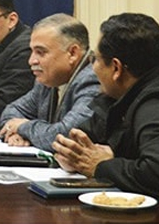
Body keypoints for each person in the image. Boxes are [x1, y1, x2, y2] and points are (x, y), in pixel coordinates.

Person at [52, 13, 159, 198]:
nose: (92, 67)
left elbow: (154, 172)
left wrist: (102, 166)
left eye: (96, 59)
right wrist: (71, 155)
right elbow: (79, 141)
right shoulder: (115, 97)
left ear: (116, 68)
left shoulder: (152, 103)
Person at [0, 14, 100, 152]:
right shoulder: (48, 80)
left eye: (40, 52)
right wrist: (16, 132)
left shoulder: (93, 79)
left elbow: (68, 136)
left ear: (73, 53)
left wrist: (23, 128)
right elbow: (12, 111)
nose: (31, 61)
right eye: (32, 52)